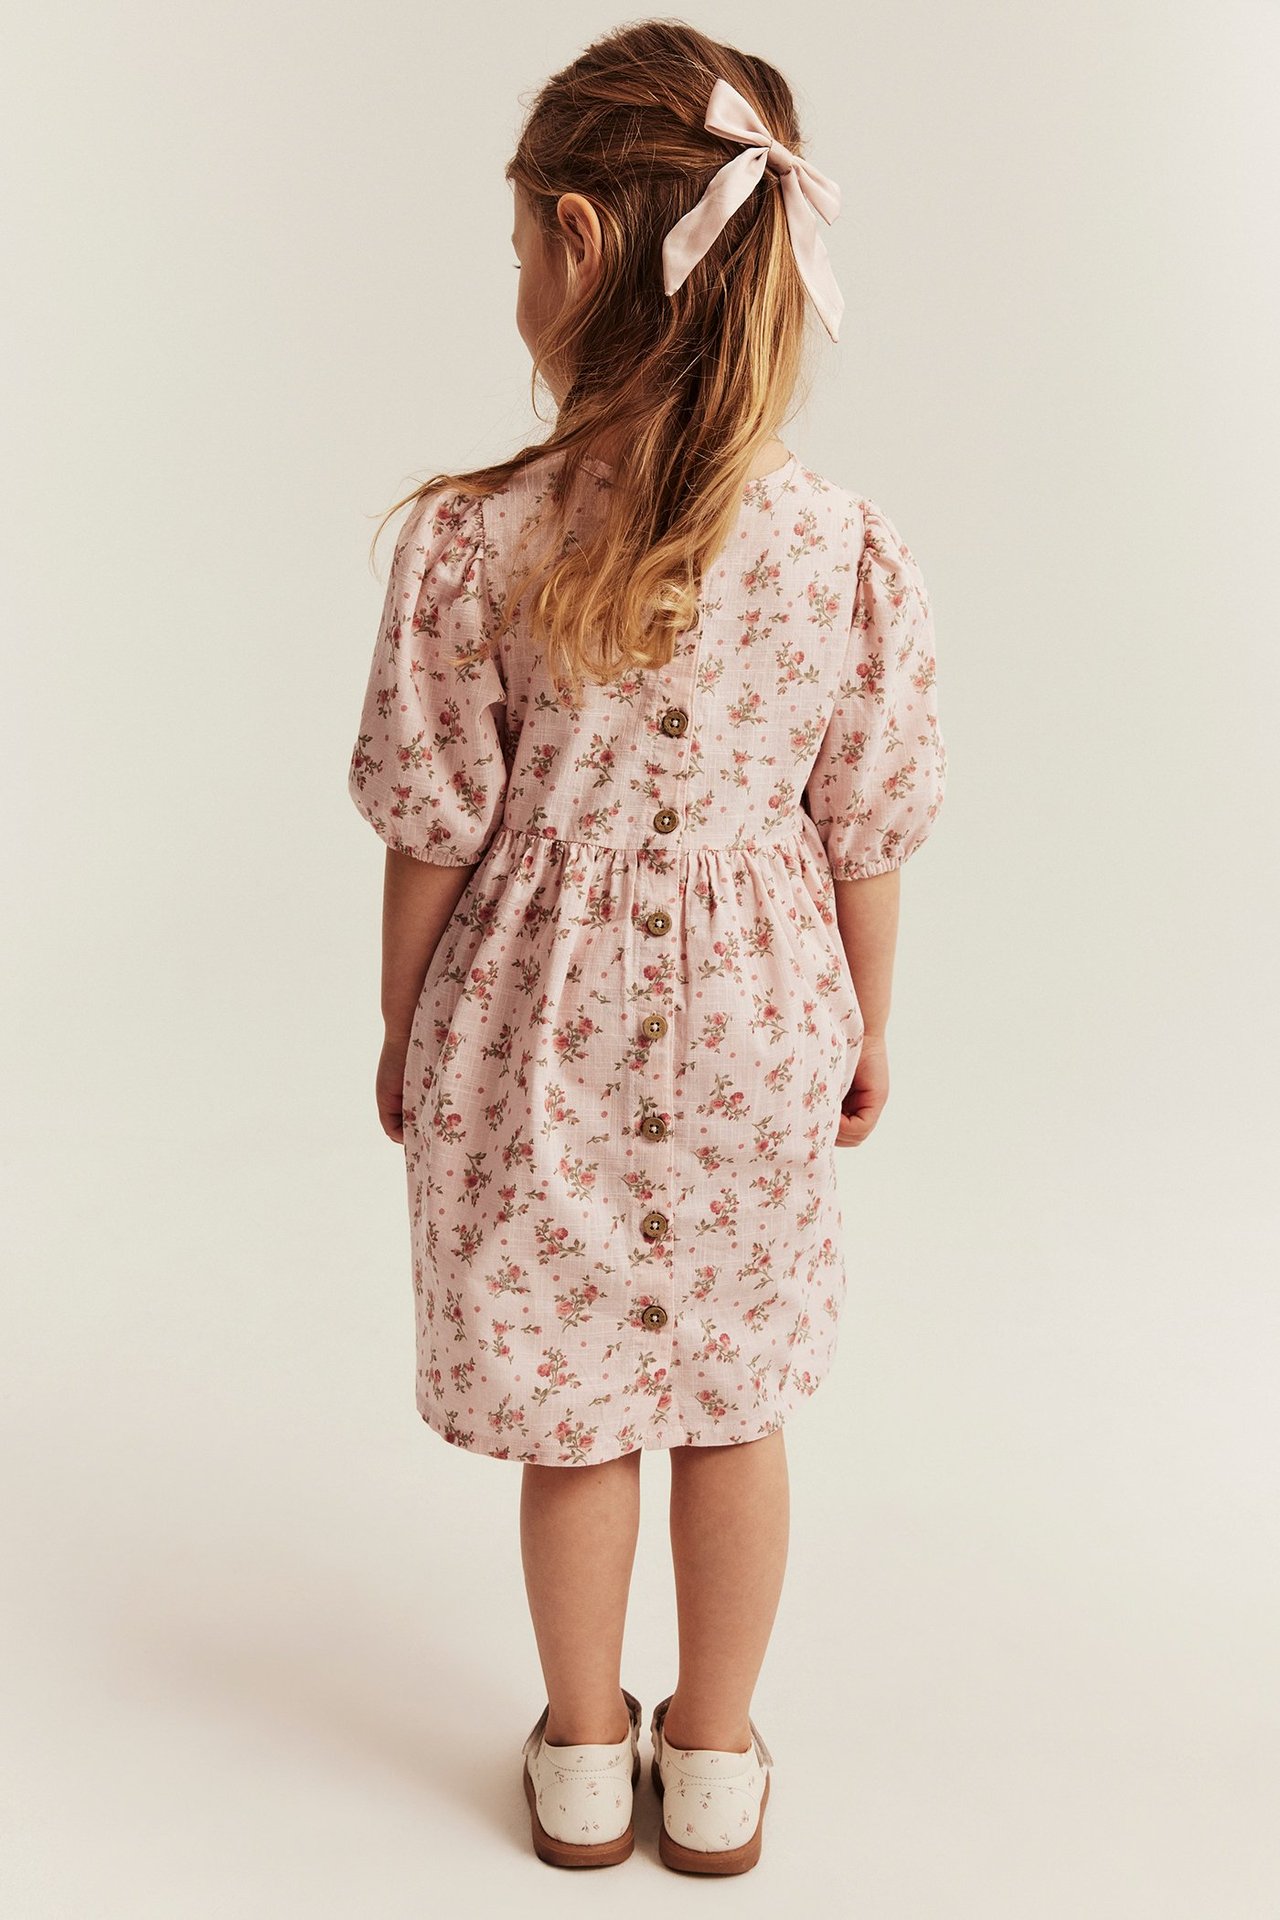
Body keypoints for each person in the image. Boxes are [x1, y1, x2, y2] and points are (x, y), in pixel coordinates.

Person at [346, 20, 947, 1876]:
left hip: (536, 1038)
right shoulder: (842, 547)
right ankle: (718, 1755)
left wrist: (402, 1034)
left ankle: (587, 1754)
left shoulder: (476, 543)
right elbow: (869, 822)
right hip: (766, 1020)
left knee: (582, 1414)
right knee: (736, 1403)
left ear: (586, 248)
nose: (514, 277)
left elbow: (433, 820)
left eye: (521, 240)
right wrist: (867, 1026)